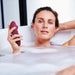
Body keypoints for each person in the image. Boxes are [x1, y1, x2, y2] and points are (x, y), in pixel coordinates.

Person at [7, 6, 75, 54]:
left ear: (55, 27)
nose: (45, 26)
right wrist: (15, 52)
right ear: (33, 25)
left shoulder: (65, 48)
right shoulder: (21, 49)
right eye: (40, 21)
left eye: (50, 22)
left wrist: (60, 27)